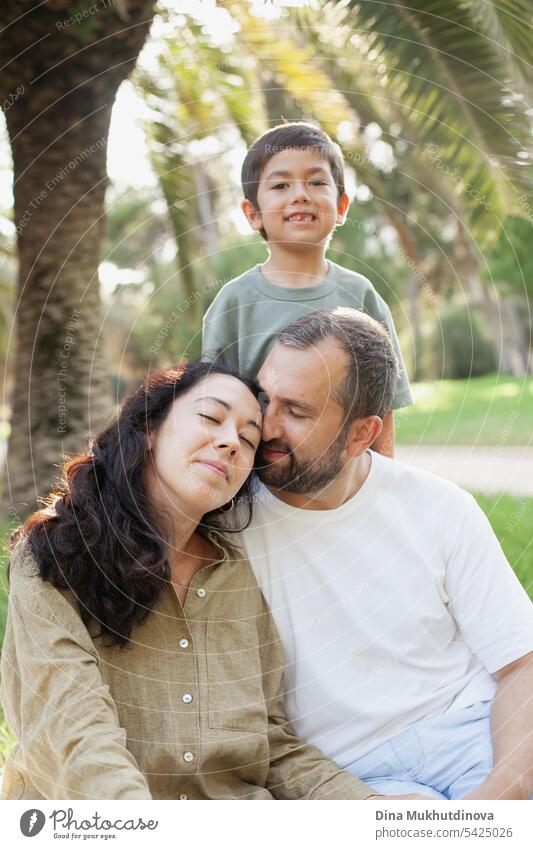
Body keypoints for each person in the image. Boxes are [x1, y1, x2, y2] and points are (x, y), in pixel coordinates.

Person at [1, 360, 382, 801]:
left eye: (247, 438)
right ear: (149, 427)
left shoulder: (240, 574)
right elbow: (72, 733)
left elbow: (271, 747)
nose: (230, 443)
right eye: (210, 417)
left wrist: (372, 810)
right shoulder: (55, 554)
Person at [238, 308, 533, 800]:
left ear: (362, 434)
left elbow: (522, 664)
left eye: (296, 411)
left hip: (473, 734)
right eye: (264, 397)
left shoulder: (439, 507)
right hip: (348, 776)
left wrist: (504, 792)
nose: (264, 426)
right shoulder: (225, 522)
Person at [202, 121, 412, 457]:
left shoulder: (362, 296)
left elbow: (382, 408)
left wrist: (380, 485)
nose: (300, 194)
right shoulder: (235, 302)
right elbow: (215, 402)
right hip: (258, 484)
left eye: (316, 182)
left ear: (342, 207)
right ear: (253, 213)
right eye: (281, 185)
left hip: (344, 481)